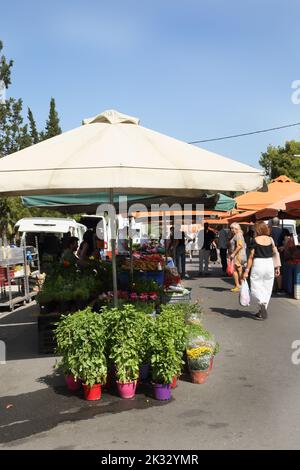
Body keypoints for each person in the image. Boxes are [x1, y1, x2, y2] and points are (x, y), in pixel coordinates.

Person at [243, 221, 280, 320]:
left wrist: (246, 270)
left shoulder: (254, 240)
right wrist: (277, 267)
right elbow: (275, 253)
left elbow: (251, 257)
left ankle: (261, 302)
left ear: (257, 229)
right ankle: (261, 310)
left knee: (255, 287)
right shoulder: (270, 239)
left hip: (258, 264)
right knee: (267, 288)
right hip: (269, 264)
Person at [229, 223, 247, 292]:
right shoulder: (237, 235)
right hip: (238, 255)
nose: (231, 230)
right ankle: (239, 286)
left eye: (233, 228)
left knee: (238, 271)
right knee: (236, 270)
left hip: (238, 256)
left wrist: (233, 254)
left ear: (236, 228)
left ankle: (241, 286)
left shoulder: (238, 235)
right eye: (231, 228)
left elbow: (239, 246)